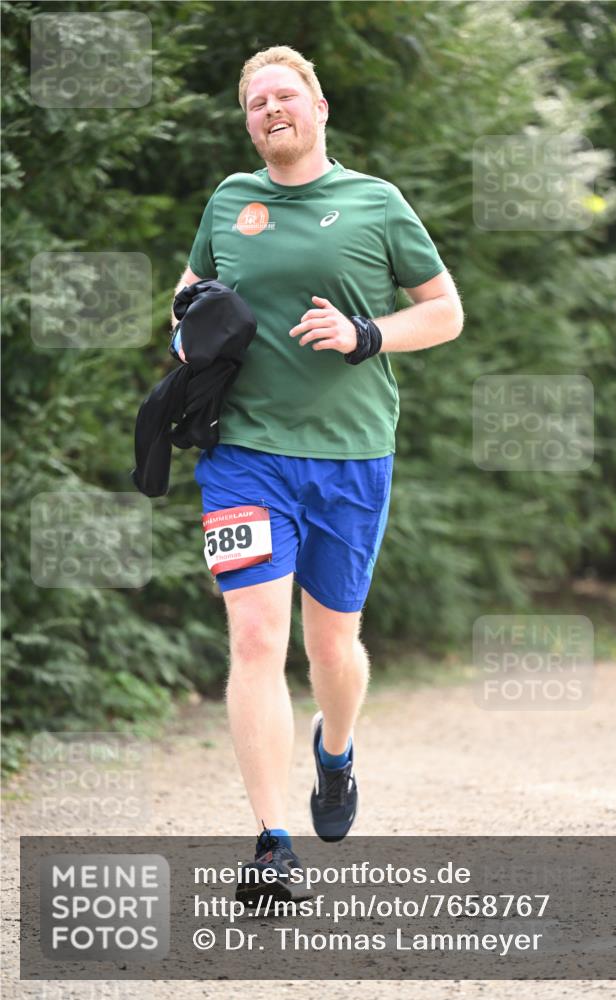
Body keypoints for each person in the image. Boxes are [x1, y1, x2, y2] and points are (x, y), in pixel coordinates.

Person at [173, 45, 463, 904]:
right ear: (248, 120)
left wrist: (366, 334)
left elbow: (444, 313)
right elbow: (188, 297)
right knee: (258, 639)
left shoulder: (375, 203)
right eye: (256, 101)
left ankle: (333, 753)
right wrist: (192, 340)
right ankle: (271, 845)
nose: (270, 110)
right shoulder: (231, 201)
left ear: (319, 106)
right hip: (244, 458)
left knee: (332, 644)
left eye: (284, 96)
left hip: (349, 456)